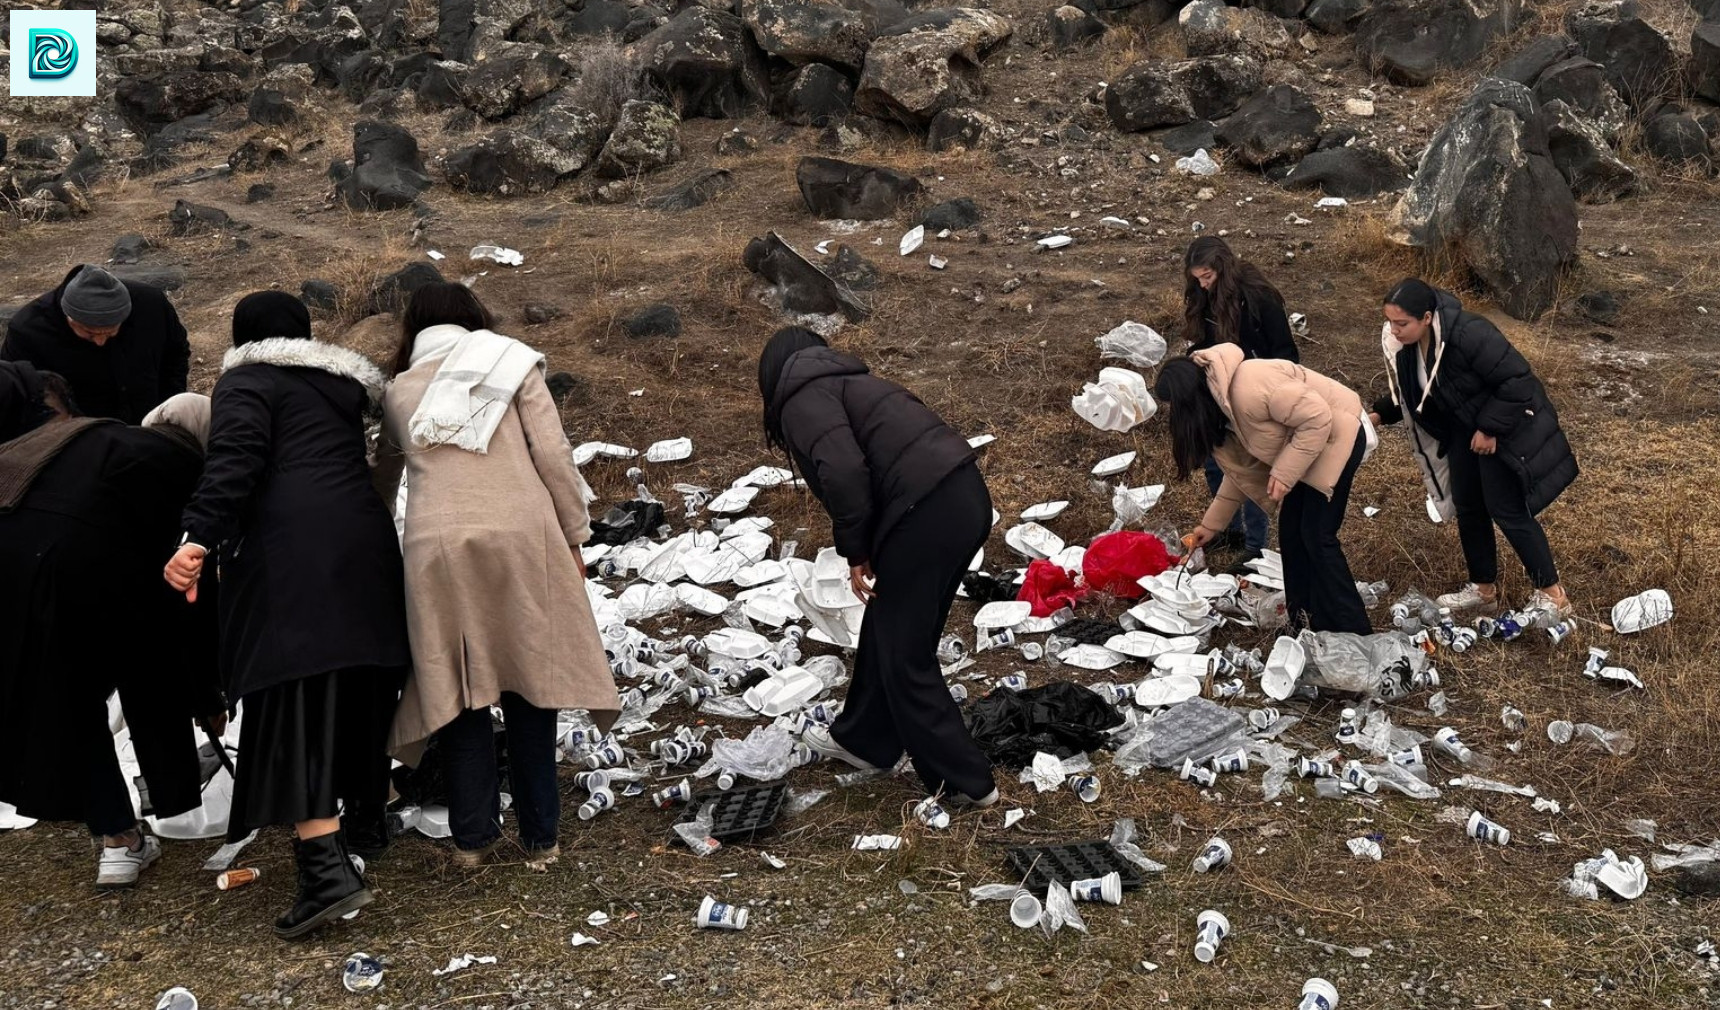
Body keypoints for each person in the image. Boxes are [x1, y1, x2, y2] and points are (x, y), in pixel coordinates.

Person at [163, 292, 409, 940]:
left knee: (288, 695)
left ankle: (327, 871)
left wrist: (195, 537)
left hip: (290, 555)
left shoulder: (247, 379)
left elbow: (235, 459)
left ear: (244, 339)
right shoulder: (342, 390)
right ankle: (366, 823)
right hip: (363, 542)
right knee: (356, 684)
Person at [375, 283, 619, 868]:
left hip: (437, 547)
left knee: (458, 687)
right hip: (519, 534)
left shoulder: (397, 391)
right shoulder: (510, 363)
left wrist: (378, 540)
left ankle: (472, 842)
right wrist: (575, 533)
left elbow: (382, 480)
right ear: (474, 319)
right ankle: (542, 839)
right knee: (534, 681)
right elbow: (553, 454)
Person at [757, 327, 997, 806]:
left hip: (925, 511)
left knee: (905, 653)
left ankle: (969, 783)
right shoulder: (850, 381)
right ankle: (863, 739)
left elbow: (844, 472)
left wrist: (856, 550)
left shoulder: (803, 396)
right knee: (893, 629)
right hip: (962, 497)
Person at [0, 386, 222, 888]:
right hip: (91, 572)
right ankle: (166, 799)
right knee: (149, 666)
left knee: (70, 701)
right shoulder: (183, 466)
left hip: (14, 574)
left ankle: (119, 842)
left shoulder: (102, 439)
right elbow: (193, 592)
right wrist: (207, 691)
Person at [1370, 279, 1577, 620]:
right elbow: (1411, 394)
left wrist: (1490, 427)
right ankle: (1483, 591)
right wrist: (1377, 415)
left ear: (1426, 317)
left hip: (1503, 429)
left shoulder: (1468, 333)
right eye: (1389, 322)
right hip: (1462, 432)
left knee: (1506, 508)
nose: (1394, 330)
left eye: (1401, 323)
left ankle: (1552, 594)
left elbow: (1518, 380)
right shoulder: (1406, 347)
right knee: (1469, 507)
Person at [1155, 347, 1373, 635]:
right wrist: (1212, 525)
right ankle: (1304, 621)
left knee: (1317, 536)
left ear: (1189, 399)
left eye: (1175, 408)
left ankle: (1352, 629)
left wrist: (1284, 472)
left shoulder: (1251, 386)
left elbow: (1317, 418)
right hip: (1302, 447)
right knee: (1292, 535)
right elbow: (1242, 472)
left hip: (1338, 432)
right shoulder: (1222, 409)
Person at [1181, 237, 1299, 569]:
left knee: (1250, 465)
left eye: (1207, 277)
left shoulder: (1258, 297)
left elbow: (1287, 353)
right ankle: (1227, 530)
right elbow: (1202, 341)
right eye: (1197, 279)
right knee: (1217, 460)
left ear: (1223, 267)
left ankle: (1255, 544)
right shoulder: (1203, 297)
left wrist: (1270, 390)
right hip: (1218, 391)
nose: (1203, 286)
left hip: (1256, 392)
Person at [2, 264, 190, 424]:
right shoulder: (28, 331)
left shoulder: (150, 305)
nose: (100, 341)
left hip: (151, 423)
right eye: (89, 333)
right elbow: (17, 392)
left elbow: (176, 353)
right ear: (68, 317)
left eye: (110, 332)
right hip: (78, 439)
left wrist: (168, 404)